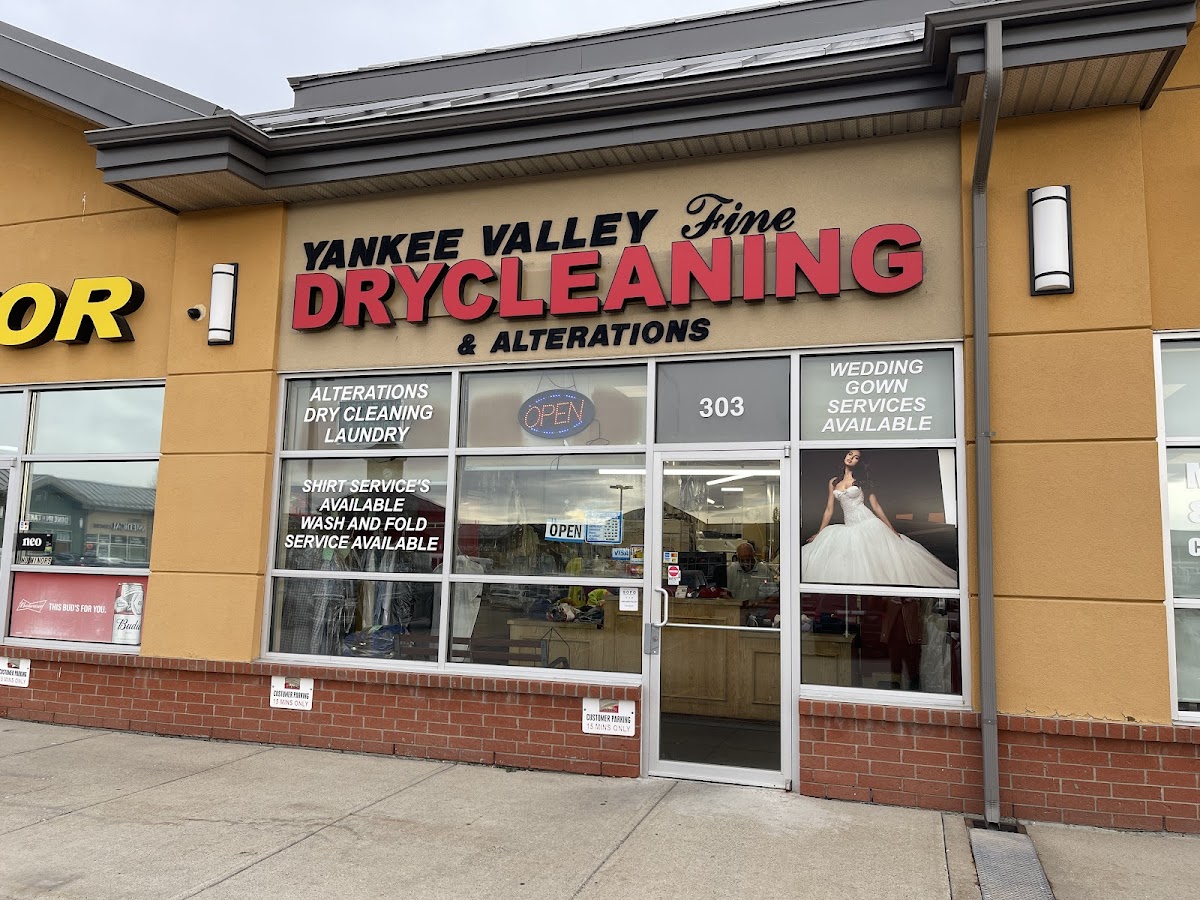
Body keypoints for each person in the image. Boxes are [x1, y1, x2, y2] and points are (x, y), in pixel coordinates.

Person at [802, 449, 957, 588]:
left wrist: (892, 529)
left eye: (856, 457)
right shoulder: (834, 482)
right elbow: (829, 509)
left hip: (868, 523)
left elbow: (875, 506)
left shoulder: (861, 481)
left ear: (859, 462)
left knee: (883, 563)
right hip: (849, 526)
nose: (851, 458)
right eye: (850, 454)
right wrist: (820, 533)